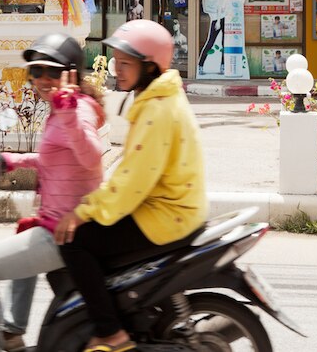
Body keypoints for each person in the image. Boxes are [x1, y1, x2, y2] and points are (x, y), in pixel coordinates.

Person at [54, 19, 207, 352]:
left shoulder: (157, 110)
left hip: (167, 214)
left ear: (149, 66)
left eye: (126, 63)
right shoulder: (158, 98)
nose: (117, 70)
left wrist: (84, 211)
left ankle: (111, 333)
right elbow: (133, 170)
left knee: (75, 241)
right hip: (169, 206)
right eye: (116, 61)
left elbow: (134, 182)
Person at [0, 34, 104, 352]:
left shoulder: (76, 110)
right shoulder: (63, 108)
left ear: (71, 73)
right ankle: (12, 331)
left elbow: (92, 159)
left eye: (51, 72)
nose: (42, 79)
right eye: (36, 72)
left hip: (64, 232)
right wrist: (9, 160)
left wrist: (66, 112)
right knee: (23, 234)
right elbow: (58, 158)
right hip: (53, 223)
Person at [197, 0, 226, 75]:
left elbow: (220, 9)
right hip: (215, 20)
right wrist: (217, 12)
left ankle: (223, 67)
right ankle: (200, 66)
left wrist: (218, 16)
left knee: (224, 44)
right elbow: (205, 9)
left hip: (222, 20)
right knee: (210, 43)